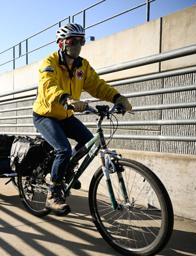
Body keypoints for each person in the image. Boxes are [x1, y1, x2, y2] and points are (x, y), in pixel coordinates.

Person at [32, 23, 132, 212]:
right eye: (72, 41)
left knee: (88, 141)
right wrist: (66, 98)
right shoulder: (49, 63)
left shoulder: (82, 65)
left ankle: (67, 170)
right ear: (61, 43)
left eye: (81, 41)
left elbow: (97, 85)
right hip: (45, 114)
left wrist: (117, 97)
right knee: (63, 149)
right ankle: (53, 194)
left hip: (66, 115)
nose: (77, 45)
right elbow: (48, 86)